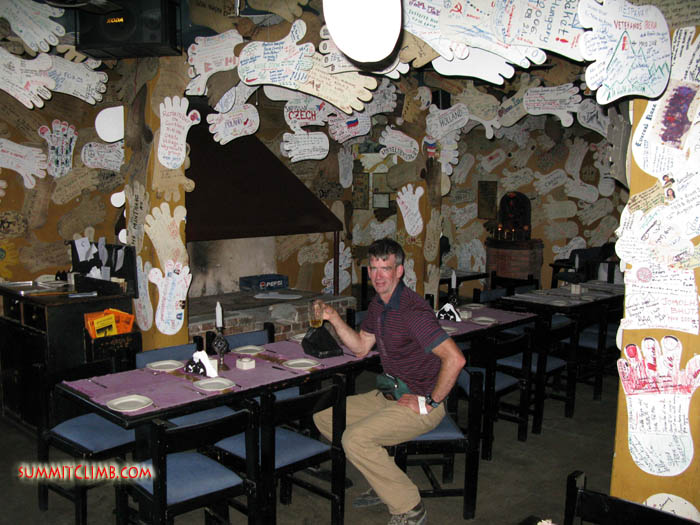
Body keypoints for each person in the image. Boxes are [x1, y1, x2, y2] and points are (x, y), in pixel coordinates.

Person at [313, 238, 466, 525]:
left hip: (420, 402)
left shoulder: (412, 311)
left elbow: (455, 359)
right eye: (373, 268)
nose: (378, 275)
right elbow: (361, 347)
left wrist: (430, 402)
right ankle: (384, 477)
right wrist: (332, 317)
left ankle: (410, 508)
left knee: (355, 439)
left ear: (399, 271)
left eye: (386, 268)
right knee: (325, 418)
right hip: (390, 393)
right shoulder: (378, 305)